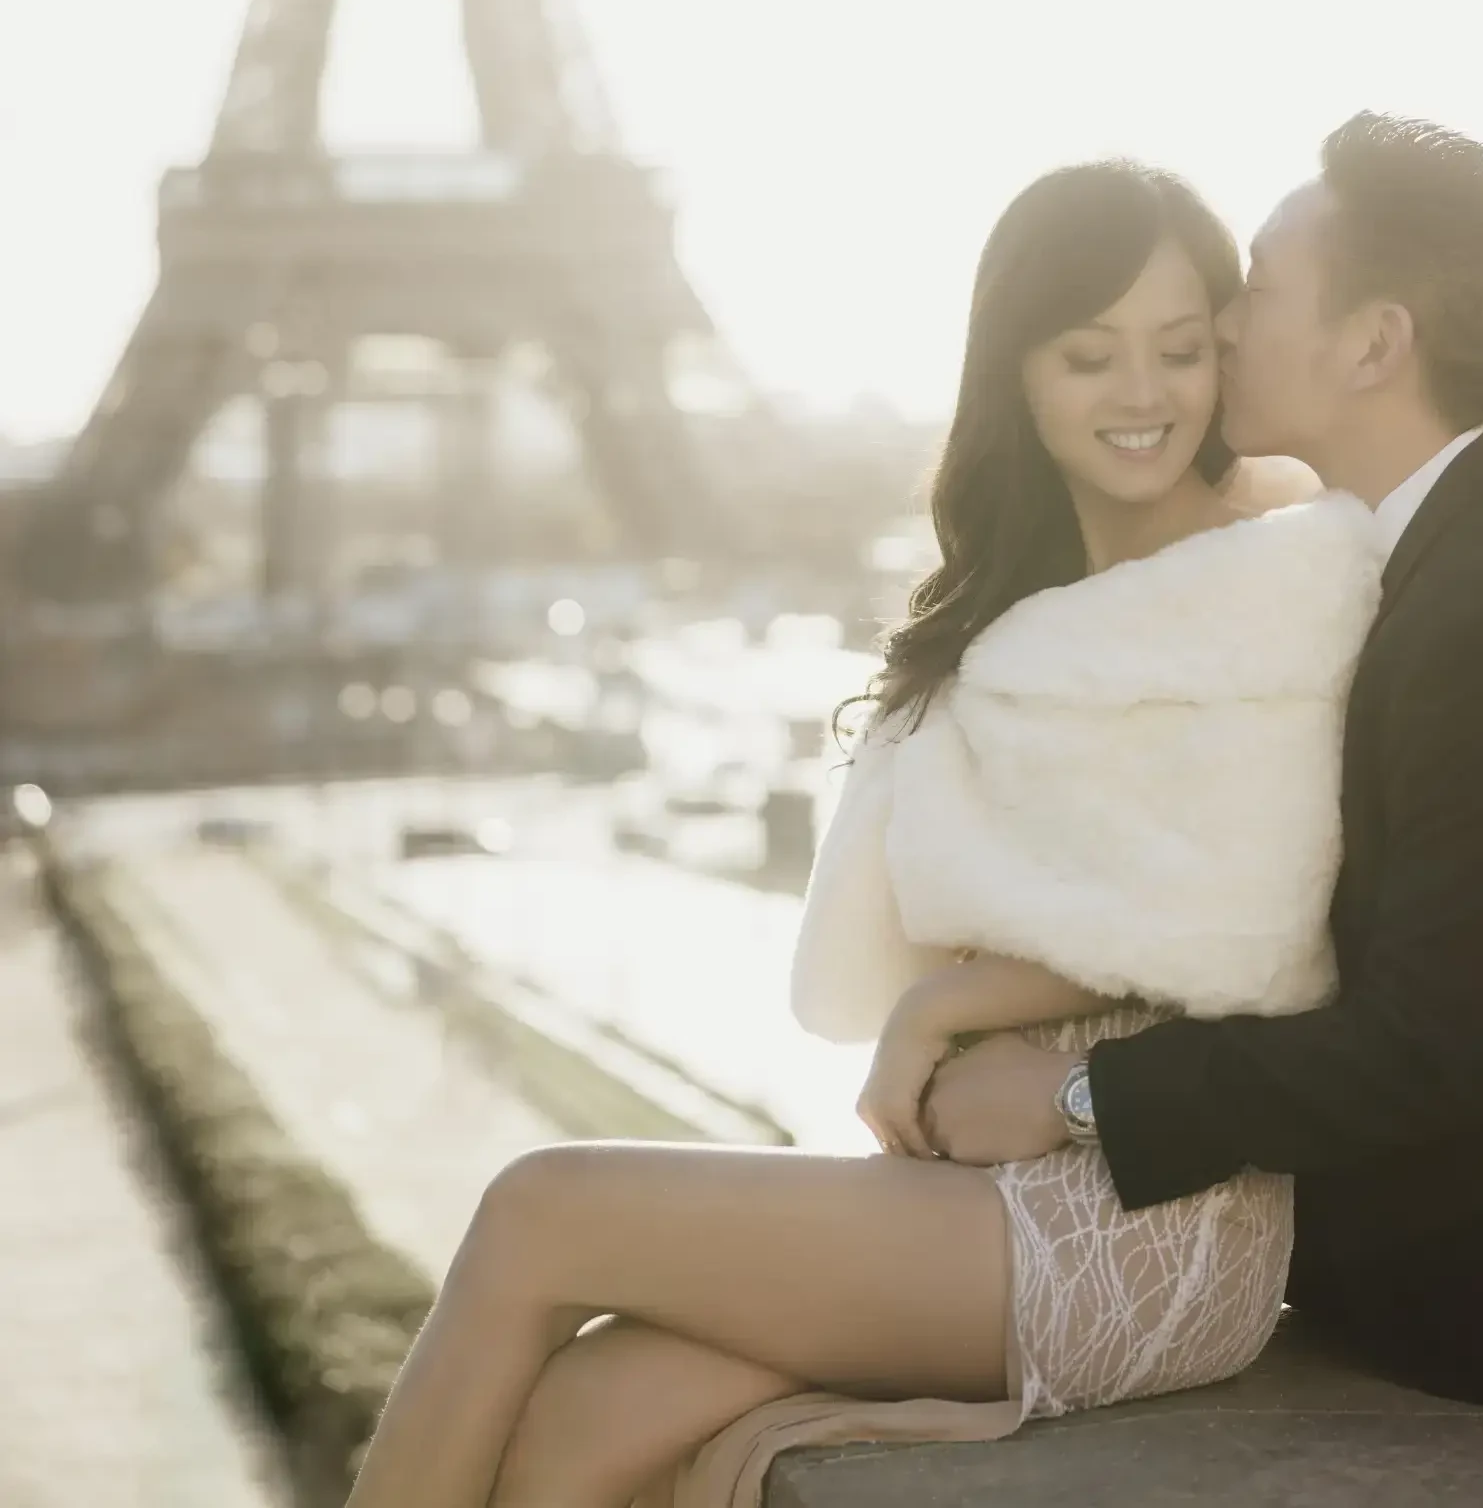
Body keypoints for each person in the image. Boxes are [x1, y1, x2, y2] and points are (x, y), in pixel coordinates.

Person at [340, 161, 1381, 1508]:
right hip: (982, 1184)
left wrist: (953, 1004)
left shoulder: (1277, 569)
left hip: (1148, 1210)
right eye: (1089, 355)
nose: (1142, 393)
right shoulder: (1008, 594)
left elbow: (1250, 915)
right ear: (1016, 367)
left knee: (536, 1208)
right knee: (580, 1420)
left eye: (1179, 350)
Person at [922, 114, 1483, 1460]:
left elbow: (1433, 1042)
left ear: (1372, 344)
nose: (1225, 323)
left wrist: (1078, 1099)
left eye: (1260, 286)